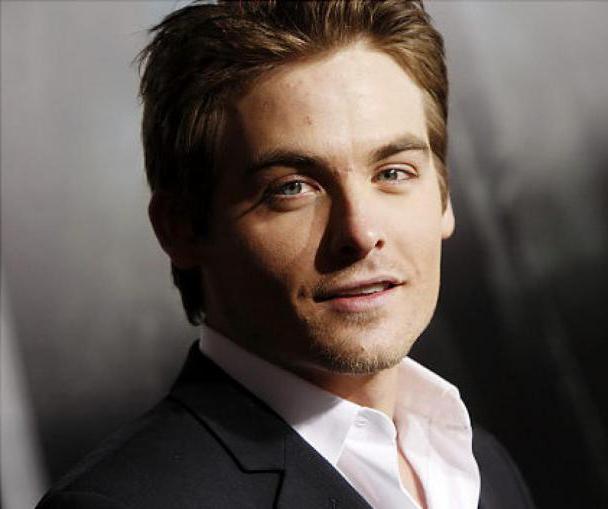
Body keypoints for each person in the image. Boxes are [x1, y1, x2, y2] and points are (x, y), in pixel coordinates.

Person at [37, 2, 535, 508]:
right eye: (292, 187)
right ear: (179, 228)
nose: (361, 232)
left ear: (444, 198)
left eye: (392, 173)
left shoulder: (480, 465)